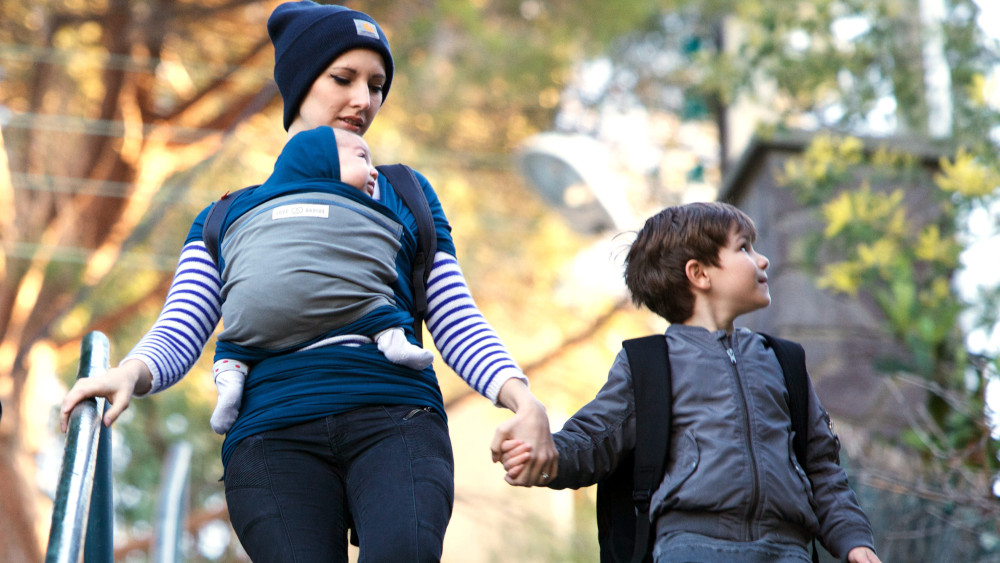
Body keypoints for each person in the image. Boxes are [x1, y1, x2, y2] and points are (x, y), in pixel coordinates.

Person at [60, 2, 556, 561]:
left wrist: (521, 398)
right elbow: (182, 327)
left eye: (377, 85)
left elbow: (454, 316)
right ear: (299, 86)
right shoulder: (225, 216)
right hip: (272, 435)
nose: (363, 100)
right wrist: (129, 372)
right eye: (342, 79)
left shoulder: (405, 193)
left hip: (395, 420)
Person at [497, 202, 881, 563]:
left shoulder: (784, 361)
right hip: (693, 548)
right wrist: (542, 455)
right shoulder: (649, 365)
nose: (762, 260)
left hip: (788, 550)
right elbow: (594, 439)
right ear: (699, 274)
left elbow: (822, 467)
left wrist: (854, 539)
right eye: (744, 248)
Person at [209, 125, 435, 435]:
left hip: (266, 342)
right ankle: (394, 342)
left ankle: (230, 382)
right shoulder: (238, 209)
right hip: (278, 407)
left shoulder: (247, 211)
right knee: (382, 311)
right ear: (323, 159)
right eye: (362, 158)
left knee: (233, 351)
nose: (373, 172)